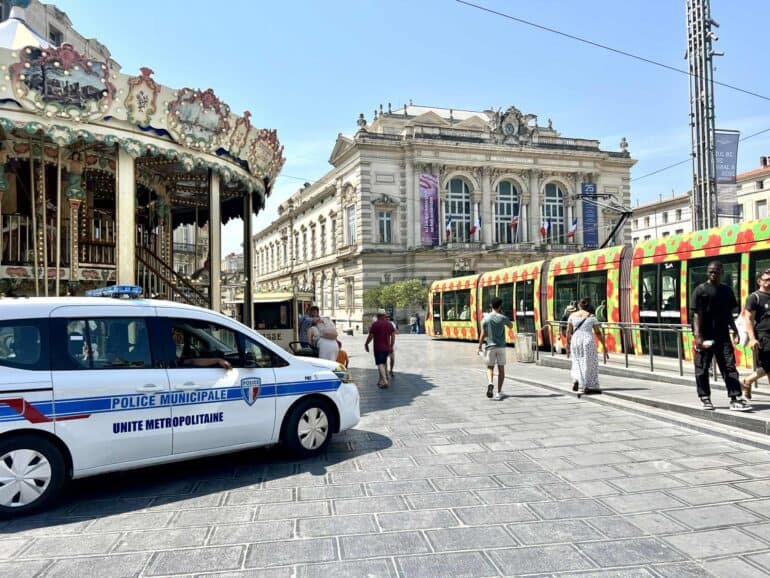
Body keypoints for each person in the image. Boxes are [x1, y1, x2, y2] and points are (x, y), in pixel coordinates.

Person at [691, 260, 750, 411]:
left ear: (722, 273)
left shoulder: (727, 291)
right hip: (705, 336)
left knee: (729, 366)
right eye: (710, 271)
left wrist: (735, 330)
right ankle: (705, 398)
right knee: (702, 367)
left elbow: (729, 314)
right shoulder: (700, 290)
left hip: (722, 335)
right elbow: (696, 315)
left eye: (716, 271)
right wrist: (698, 337)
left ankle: (735, 397)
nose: (712, 274)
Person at [566, 297, 607, 398]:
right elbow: (597, 332)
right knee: (589, 363)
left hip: (575, 340)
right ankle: (587, 385)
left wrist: (567, 344)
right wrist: (604, 346)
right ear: (588, 306)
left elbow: (568, 331)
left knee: (577, 361)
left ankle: (576, 380)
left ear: (578, 305)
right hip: (588, 340)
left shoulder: (572, 316)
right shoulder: (592, 317)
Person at [741, 269, 770, 399]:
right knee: (767, 365)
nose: (769, 282)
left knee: (768, 366)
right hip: (763, 336)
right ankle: (748, 381)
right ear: (759, 281)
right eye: (766, 280)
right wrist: (752, 338)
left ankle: (747, 381)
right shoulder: (754, 297)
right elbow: (748, 319)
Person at [477, 297, 513, 400]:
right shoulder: (503, 318)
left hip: (490, 347)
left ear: (491, 306)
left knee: (490, 368)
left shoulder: (486, 318)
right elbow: (511, 326)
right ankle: (499, 392)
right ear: (500, 306)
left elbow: (483, 334)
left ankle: (490, 383)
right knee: (501, 370)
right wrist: (503, 315)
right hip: (501, 347)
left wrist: (479, 346)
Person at [366, 309, 395, 388]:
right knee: (384, 363)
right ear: (385, 315)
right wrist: (391, 346)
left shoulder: (375, 324)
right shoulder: (389, 324)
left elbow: (370, 336)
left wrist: (366, 344)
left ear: (377, 316)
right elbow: (393, 336)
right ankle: (380, 380)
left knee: (380, 364)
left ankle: (385, 381)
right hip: (387, 347)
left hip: (378, 348)